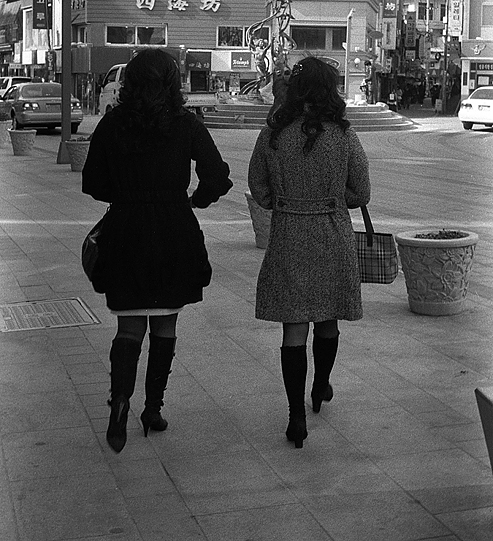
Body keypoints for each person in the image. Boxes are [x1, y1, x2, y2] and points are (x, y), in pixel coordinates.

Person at [82, 48, 232, 453]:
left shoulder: (113, 123)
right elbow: (217, 175)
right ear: (171, 82)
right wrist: (195, 201)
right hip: (173, 230)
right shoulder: (185, 124)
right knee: (165, 324)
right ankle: (153, 408)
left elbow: (92, 182)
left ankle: (119, 403)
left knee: (129, 326)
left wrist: (126, 195)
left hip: (125, 231)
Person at [248, 57, 370, 449]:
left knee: (294, 326)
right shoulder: (343, 134)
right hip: (332, 233)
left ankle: (295, 415)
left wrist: (286, 202)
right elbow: (361, 191)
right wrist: (331, 197)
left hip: (289, 233)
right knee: (328, 318)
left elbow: (258, 188)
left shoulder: (273, 133)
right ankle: (321, 385)